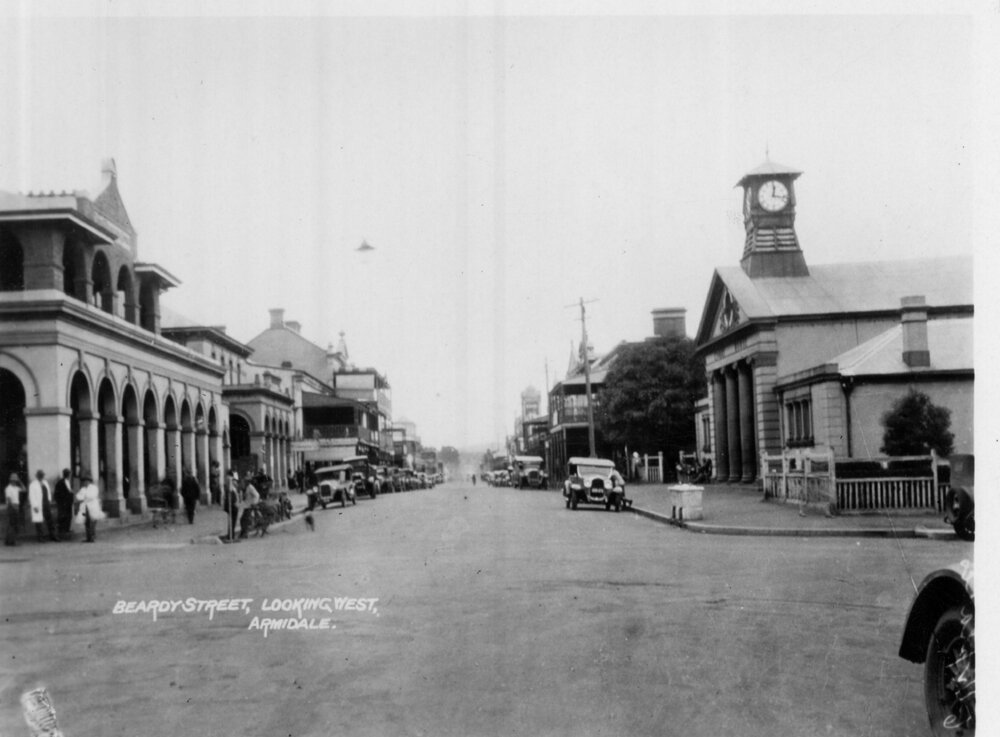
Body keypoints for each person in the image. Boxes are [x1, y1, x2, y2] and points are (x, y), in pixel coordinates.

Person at [28, 470, 57, 542]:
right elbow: (31, 496)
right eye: (40, 475)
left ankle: (53, 536)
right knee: (39, 522)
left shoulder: (45, 483)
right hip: (38, 505)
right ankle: (40, 537)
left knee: (50, 520)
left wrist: (49, 501)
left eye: (42, 475)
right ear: (37, 476)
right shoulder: (33, 484)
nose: (41, 476)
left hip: (46, 504)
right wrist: (35, 506)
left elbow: (48, 493)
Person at [74, 473, 104, 543]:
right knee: (87, 522)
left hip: (93, 507)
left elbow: (92, 496)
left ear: (90, 481)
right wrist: (84, 497)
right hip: (85, 508)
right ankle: (89, 537)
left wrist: (84, 497)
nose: (85, 482)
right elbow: (78, 496)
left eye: (87, 481)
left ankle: (92, 536)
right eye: (84, 481)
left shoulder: (93, 488)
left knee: (92, 522)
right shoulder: (83, 489)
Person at [54, 469, 74, 540]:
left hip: (68, 504)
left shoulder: (68, 482)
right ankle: (61, 534)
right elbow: (57, 494)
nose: (70, 475)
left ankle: (66, 533)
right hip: (63, 504)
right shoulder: (60, 483)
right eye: (69, 474)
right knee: (62, 518)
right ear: (67, 474)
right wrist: (61, 502)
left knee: (68, 517)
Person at [4, 472, 23, 546]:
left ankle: (8, 541)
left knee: (12, 524)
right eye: (14, 480)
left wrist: (20, 481)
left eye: (15, 480)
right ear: (11, 481)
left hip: (16, 506)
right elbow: (9, 499)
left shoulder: (16, 488)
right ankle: (12, 541)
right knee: (13, 525)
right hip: (11, 507)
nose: (15, 481)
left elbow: (24, 489)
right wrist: (14, 508)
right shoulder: (8, 488)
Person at [222, 470, 240, 541]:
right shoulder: (230, 484)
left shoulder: (232, 485)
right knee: (232, 521)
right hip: (232, 506)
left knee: (232, 521)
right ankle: (231, 535)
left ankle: (231, 534)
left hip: (233, 506)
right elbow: (230, 495)